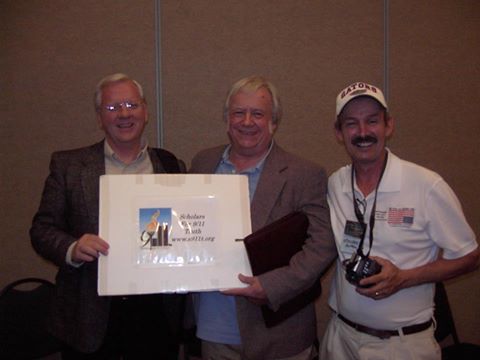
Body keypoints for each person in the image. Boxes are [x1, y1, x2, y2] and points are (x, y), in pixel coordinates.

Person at [30, 73, 186, 359]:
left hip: (156, 315)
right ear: (100, 117)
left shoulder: (171, 164)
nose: (124, 114)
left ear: (146, 111)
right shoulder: (69, 166)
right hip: (89, 317)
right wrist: (73, 248)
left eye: (132, 105)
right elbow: (42, 230)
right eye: (113, 108)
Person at [320, 81, 480, 360]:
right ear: (338, 132)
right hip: (340, 339)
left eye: (372, 121)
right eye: (351, 124)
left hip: (401, 346)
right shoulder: (336, 183)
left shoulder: (426, 185)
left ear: (389, 126)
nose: (363, 132)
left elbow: (470, 256)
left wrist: (403, 278)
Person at [190, 75, 337, 360]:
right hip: (213, 330)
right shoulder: (202, 163)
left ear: (274, 121)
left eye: (257, 113)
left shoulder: (304, 173)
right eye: (238, 112)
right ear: (226, 118)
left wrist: (271, 286)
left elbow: (322, 245)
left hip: (279, 331)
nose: (247, 121)